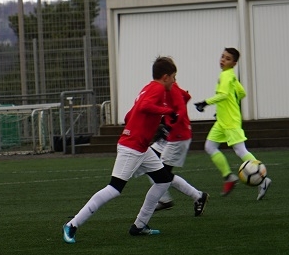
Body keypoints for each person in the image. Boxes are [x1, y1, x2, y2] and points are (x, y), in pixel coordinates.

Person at [62, 57, 204, 243]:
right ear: (166, 76)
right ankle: (72, 224)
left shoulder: (148, 87)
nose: (175, 82)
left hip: (141, 147)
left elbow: (131, 114)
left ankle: (139, 225)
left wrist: (147, 126)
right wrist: (167, 111)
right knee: (114, 189)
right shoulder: (159, 89)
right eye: (174, 77)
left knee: (163, 180)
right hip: (133, 147)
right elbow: (145, 107)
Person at [194, 47, 272, 200]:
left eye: (227, 58)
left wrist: (205, 103)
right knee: (209, 147)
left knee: (240, 150)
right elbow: (242, 92)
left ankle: (262, 179)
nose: (223, 60)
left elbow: (223, 95)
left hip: (229, 121)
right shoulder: (230, 76)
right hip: (222, 120)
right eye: (222, 56)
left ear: (234, 63)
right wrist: (225, 107)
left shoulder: (226, 76)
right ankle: (228, 177)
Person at [143, 80, 209, 216]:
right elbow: (187, 96)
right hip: (171, 135)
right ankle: (165, 198)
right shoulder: (166, 88)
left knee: (162, 174)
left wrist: (169, 125)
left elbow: (181, 109)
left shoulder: (171, 88)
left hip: (177, 135)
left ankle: (197, 196)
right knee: (149, 162)